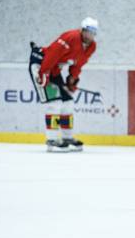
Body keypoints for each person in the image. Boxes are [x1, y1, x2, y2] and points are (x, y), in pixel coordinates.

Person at [29, 17, 98, 152]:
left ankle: (67, 137)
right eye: (88, 31)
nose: (91, 35)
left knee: (68, 104)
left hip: (54, 70)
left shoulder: (92, 46)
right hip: (41, 65)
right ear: (82, 30)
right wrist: (43, 73)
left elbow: (79, 63)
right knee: (54, 104)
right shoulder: (71, 37)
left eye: (94, 32)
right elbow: (52, 54)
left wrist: (73, 78)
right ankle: (52, 140)